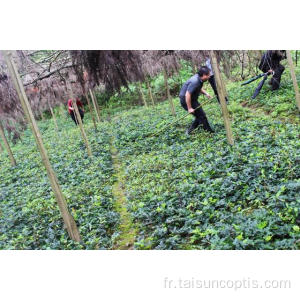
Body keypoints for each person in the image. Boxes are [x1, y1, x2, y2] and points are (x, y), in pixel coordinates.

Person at [179, 66, 214, 135]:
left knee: (200, 116)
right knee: (201, 116)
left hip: (193, 99)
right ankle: (209, 132)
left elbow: (198, 88)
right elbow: (187, 94)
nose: (209, 76)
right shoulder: (195, 81)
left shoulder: (199, 79)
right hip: (186, 100)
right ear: (204, 75)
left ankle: (190, 131)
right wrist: (189, 108)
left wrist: (206, 93)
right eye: (208, 75)